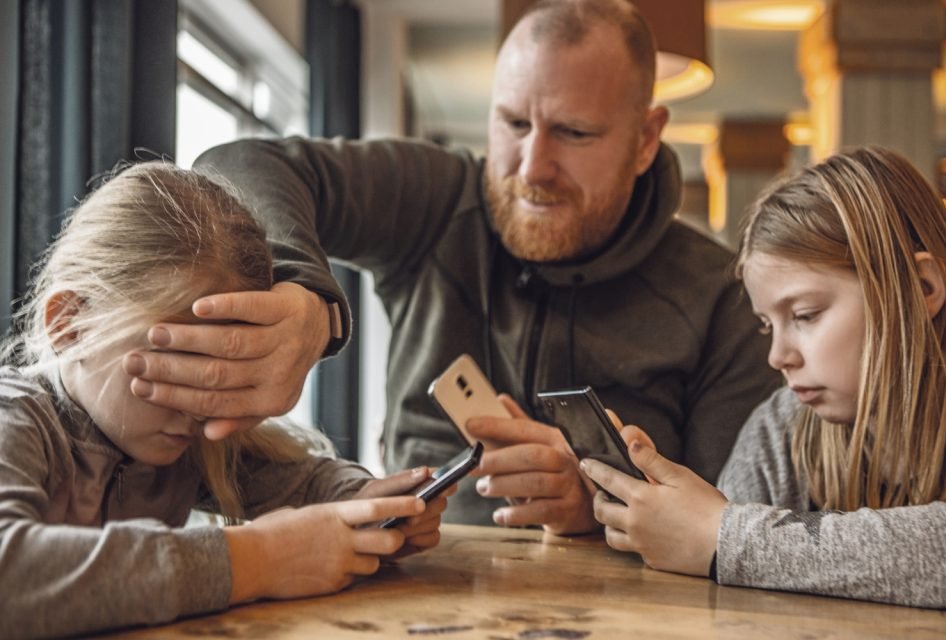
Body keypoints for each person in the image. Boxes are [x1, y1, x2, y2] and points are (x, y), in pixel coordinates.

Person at [120, 0, 779, 532]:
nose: (531, 168)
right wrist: (306, 296)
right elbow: (237, 164)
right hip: (416, 582)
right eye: (514, 123)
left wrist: (594, 506)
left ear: (645, 139)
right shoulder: (436, 199)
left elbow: (732, 525)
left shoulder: (722, 297)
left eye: (574, 134)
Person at [0, 163, 451, 638]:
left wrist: (369, 509)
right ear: (69, 323)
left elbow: (302, 481)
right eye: (179, 362)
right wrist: (258, 559)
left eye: (221, 370)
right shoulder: (16, 415)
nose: (201, 404)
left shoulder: (187, 444)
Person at [580, 146, 946, 615]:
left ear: (922, 289)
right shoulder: (779, 428)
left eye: (806, 315)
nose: (778, 357)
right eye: (769, 325)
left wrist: (726, 537)